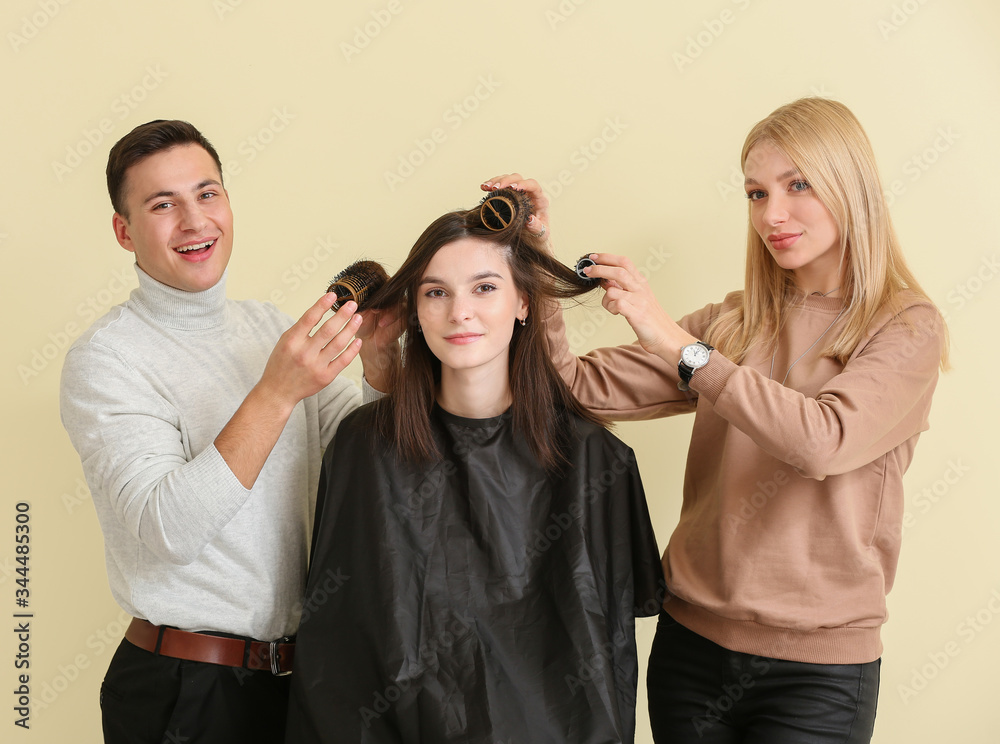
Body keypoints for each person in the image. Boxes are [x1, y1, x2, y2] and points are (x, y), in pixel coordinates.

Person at [486, 97, 949, 743]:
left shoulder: (905, 327)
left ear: (852, 186)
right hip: (691, 647)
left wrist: (675, 343)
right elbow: (573, 388)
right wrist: (532, 257)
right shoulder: (738, 320)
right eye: (756, 194)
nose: (773, 214)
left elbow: (822, 441)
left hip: (817, 674)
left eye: (798, 185)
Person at [284, 188, 665, 743]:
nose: (459, 312)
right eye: (435, 292)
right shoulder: (363, 448)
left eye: (485, 288)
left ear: (524, 302)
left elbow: (607, 659)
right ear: (415, 308)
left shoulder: (595, 462)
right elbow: (337, 654)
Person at [59, 120, 397, 744]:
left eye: (207, 193)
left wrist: (379, 366)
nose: (194, 221)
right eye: (163, 204)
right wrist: (275, 392)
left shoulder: (268, 327)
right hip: (184, 690)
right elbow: (170, 529)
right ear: (124, 231)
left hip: (299, 682)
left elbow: (372, 471)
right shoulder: (107, 359)